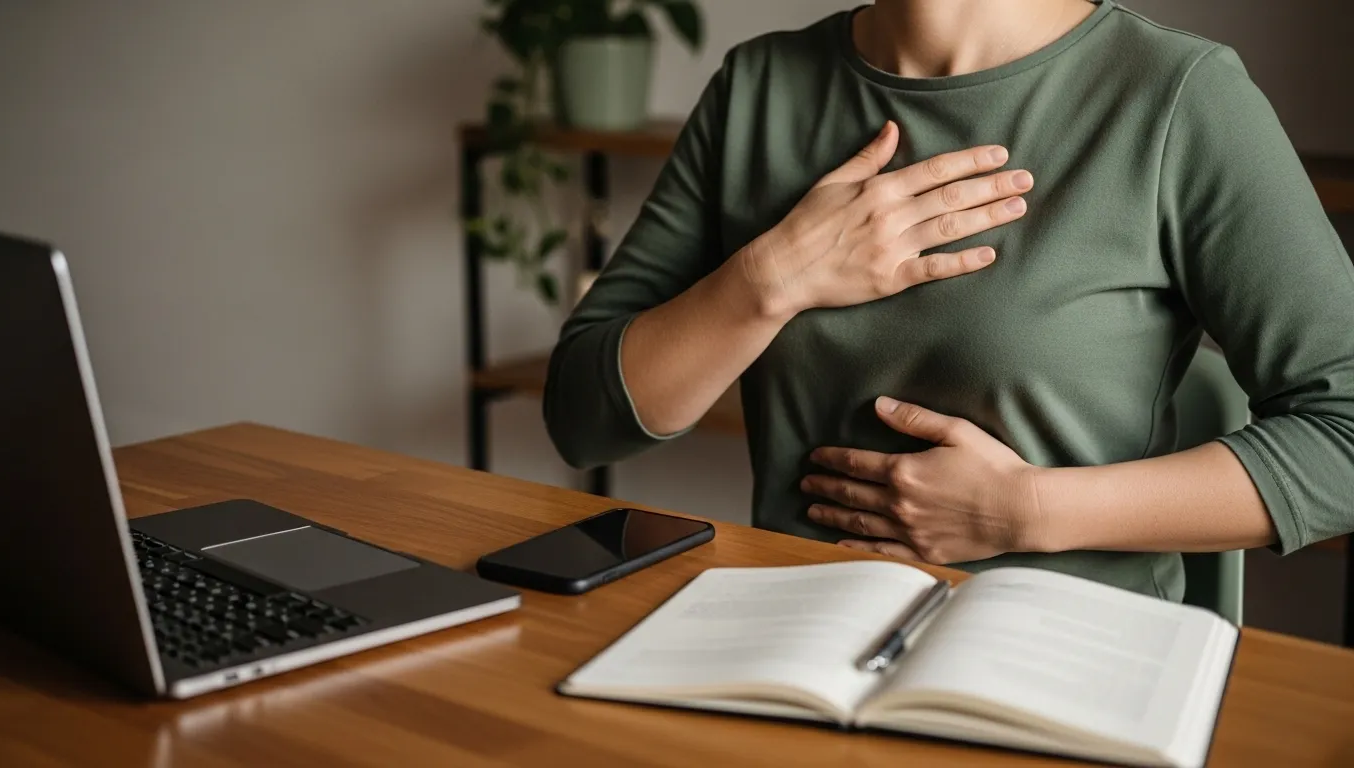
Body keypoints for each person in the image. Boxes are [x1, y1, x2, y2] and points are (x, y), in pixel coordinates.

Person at [543, 0, 1354, 600]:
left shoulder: (1179, 97)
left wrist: (1027, 511)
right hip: (795, 638)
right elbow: (584, 416)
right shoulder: (756, 85)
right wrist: (771, 280)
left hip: (1067, 653)